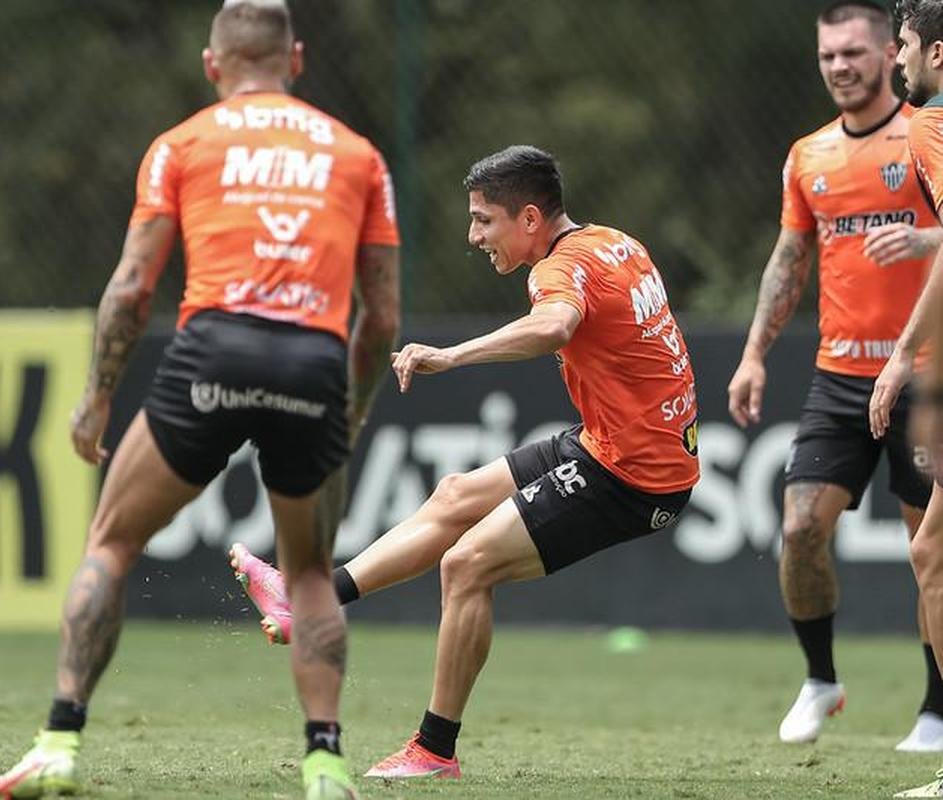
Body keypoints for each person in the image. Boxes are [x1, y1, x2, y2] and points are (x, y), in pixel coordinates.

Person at [0, 1, 401, 798]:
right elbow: (380, 317)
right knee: (310, 573)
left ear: (213, 65)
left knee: (110, 541)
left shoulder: (181, 144)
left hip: (212, 351)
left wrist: (96, 398)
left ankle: (59, 743)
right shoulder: (358, 156)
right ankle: (323, 764)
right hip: (312, 359)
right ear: (297, 60)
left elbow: (132, 286)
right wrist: (345, 410)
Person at [233, 144, 700, 778]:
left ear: (529, 219)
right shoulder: (616, 242)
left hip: (634, 476)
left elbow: (555, 326)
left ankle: (433, 750)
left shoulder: (554, 272)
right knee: (453, 494)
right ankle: (309, 600)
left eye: (484, 219)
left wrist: (452, 356)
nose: (473, 235)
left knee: (466, 564)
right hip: (616, 444)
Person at [725, 0, 943, 750]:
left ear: (890, 55)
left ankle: (936, 708)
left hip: (923, 374)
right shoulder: (807, 156)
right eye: (827, 57)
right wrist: (754, 353)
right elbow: (789, 261)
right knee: (797, 528)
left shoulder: (923, 133)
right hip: (837, 378)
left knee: (930, 550)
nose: (839, 67)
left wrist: (922, 237)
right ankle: (820, 679)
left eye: (853, 53)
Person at [888, 2, 943, 794]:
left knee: (931, 552)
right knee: (930, 549)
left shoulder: (927, 124)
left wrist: (900, 355)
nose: (896, 59)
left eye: (901, 44)